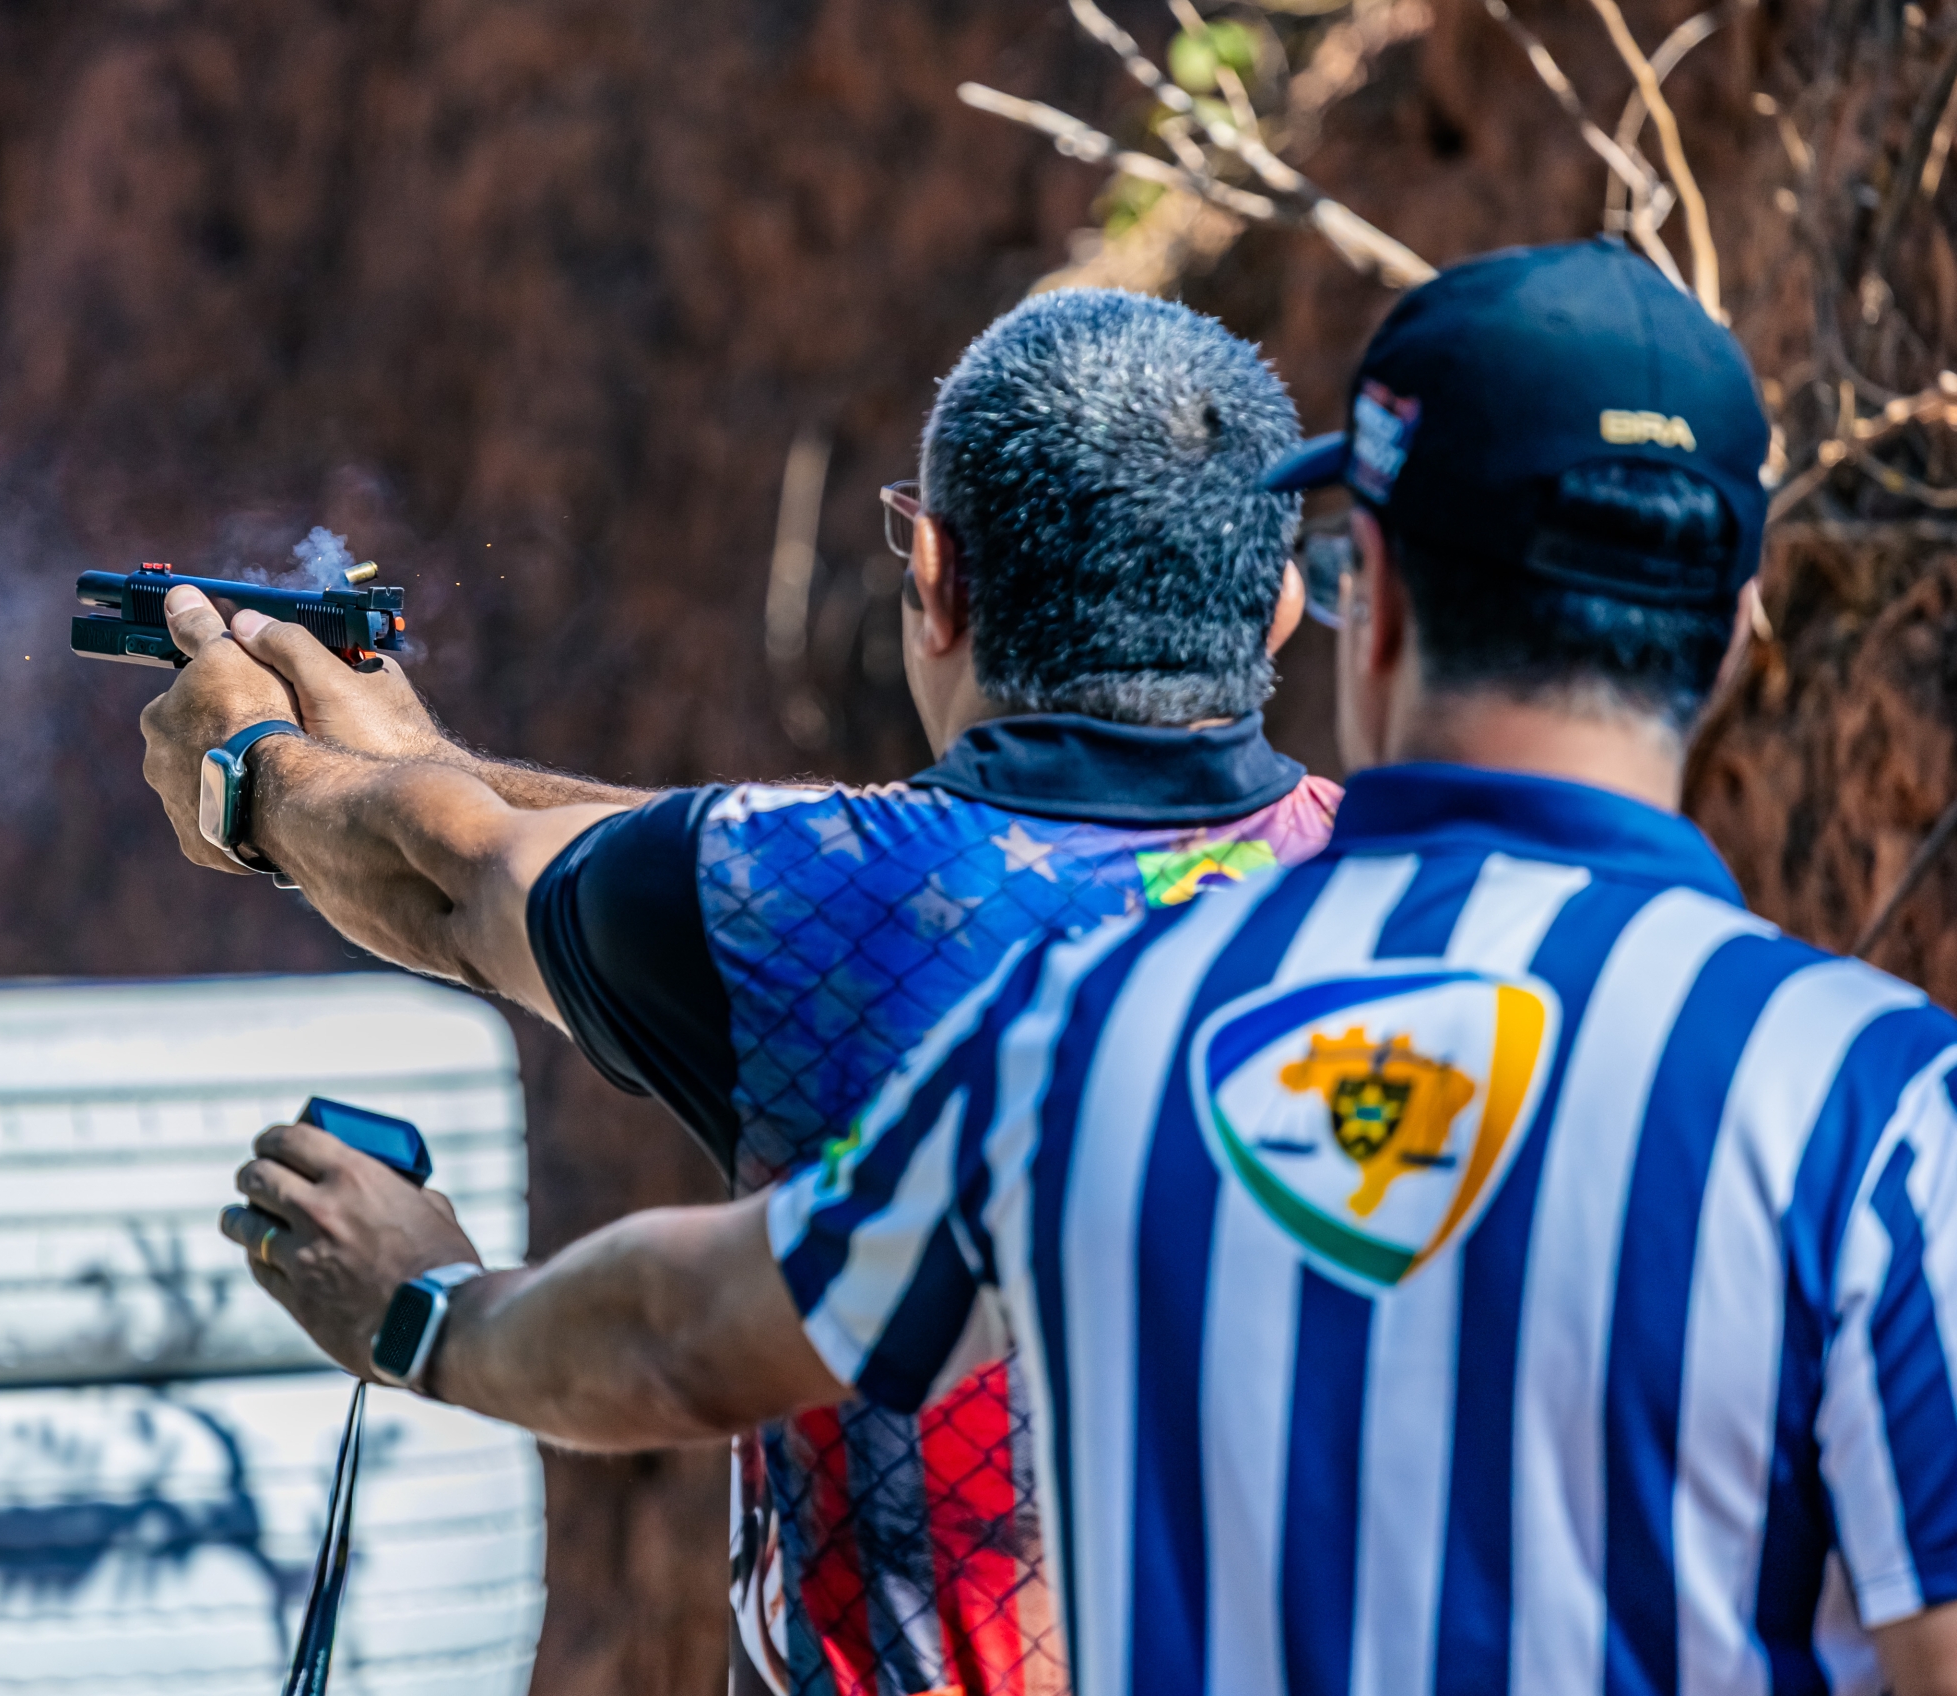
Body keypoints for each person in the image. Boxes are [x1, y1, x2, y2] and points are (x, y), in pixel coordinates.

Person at [217, 238, 1957, 1696]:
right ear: (1742, 623)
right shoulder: (1878, 1105)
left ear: (1368, 597)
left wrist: (427, 1312)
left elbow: (687, 1333)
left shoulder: (1109, 1032)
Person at [138, 289, 1339, 1693]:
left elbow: (463, 884)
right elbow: (695, 862)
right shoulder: (1409, 898)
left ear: (935, 573)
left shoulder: (809, 904)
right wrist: (418, 766)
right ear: (1281, 600)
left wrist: (256, 778)